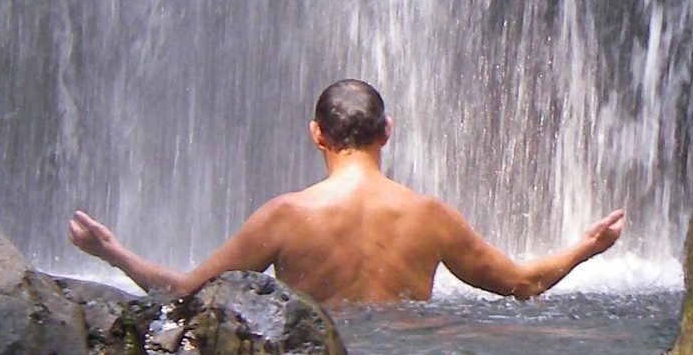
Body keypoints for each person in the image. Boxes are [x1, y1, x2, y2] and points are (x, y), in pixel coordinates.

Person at [68, 77, 626, 308]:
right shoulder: (430, 217)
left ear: (317, 135)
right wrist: (586, 246)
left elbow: (186, 294)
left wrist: (111, 252)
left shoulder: (283, 218)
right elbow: (522, 284)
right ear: (387, 133)